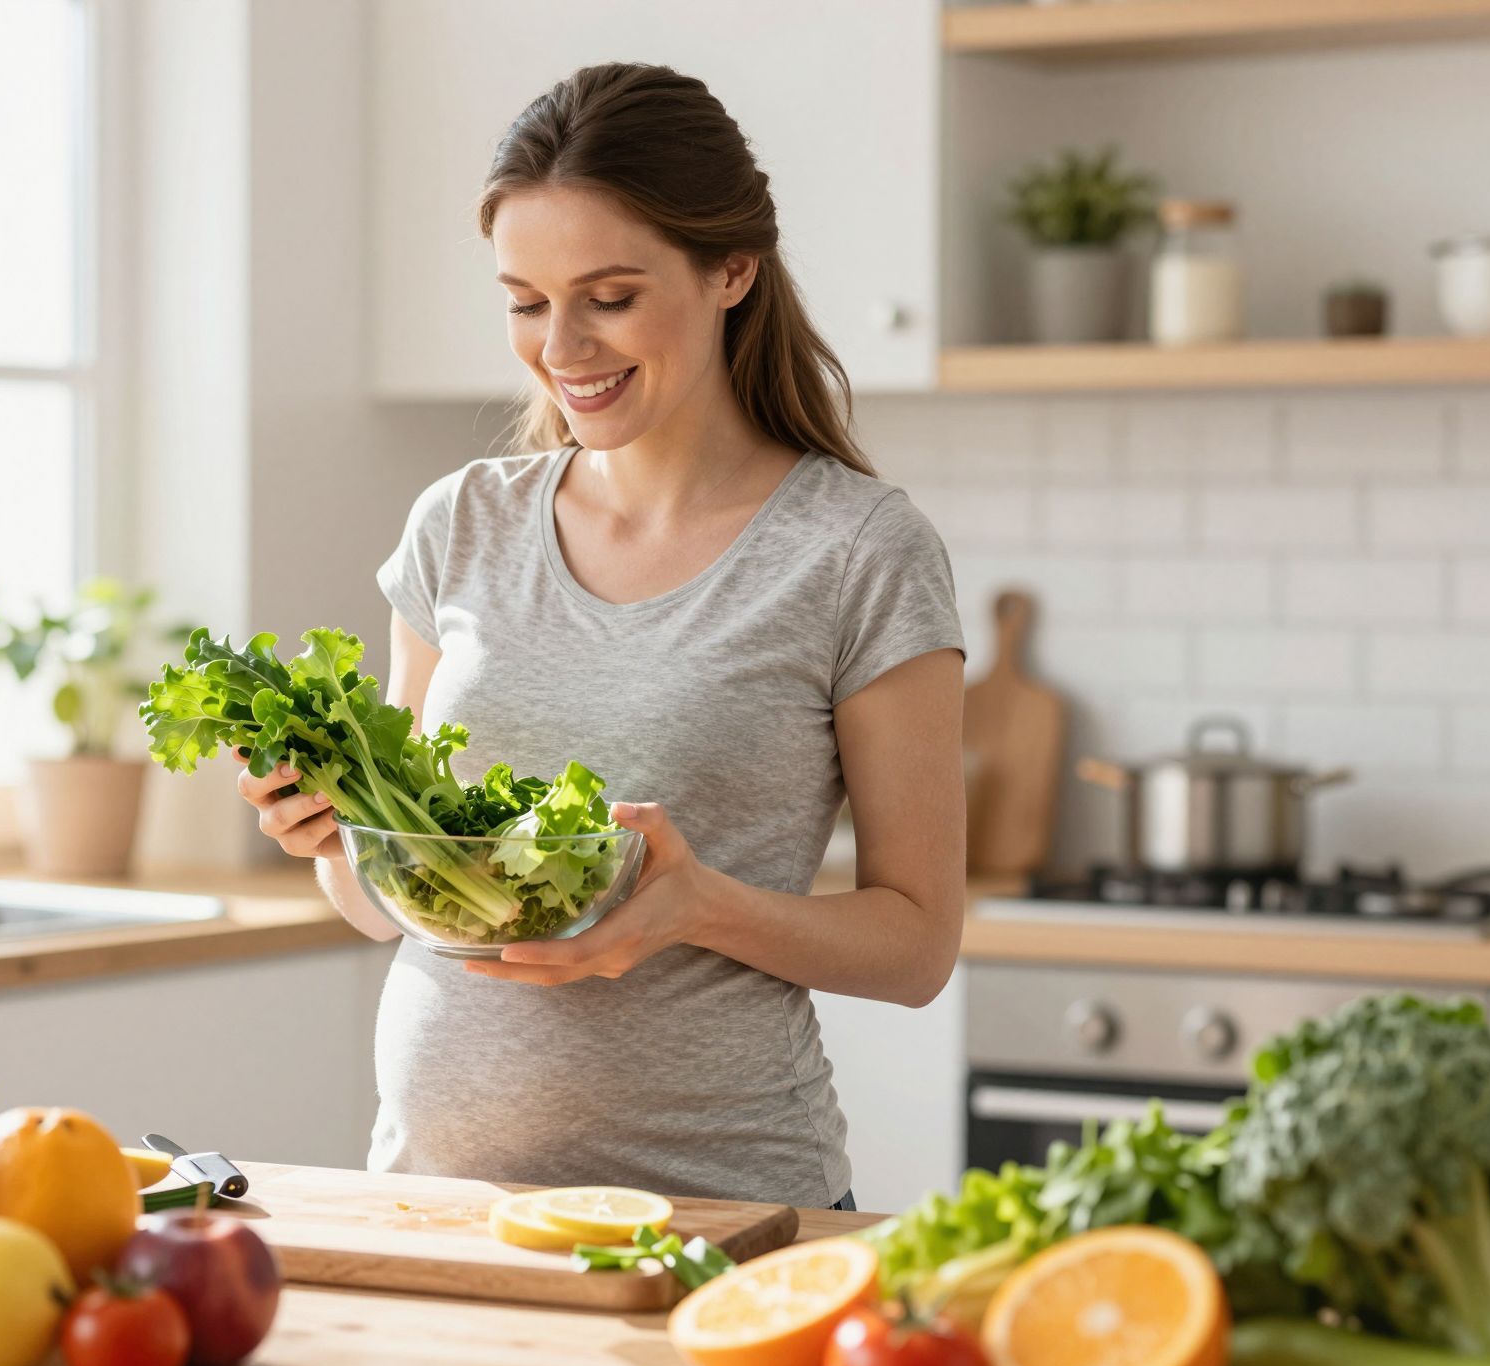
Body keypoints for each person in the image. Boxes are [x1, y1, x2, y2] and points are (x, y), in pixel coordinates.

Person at [236, 62, 963, 1209]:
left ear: (731, 270)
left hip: (717, 1210)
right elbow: (389, 909)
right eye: (524, 301)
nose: (560, 345)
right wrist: (336, 838)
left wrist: (698, 903)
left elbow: (916, 947)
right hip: (436, 1200)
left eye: (609, 296)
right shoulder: (458, 525)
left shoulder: (857, 550)